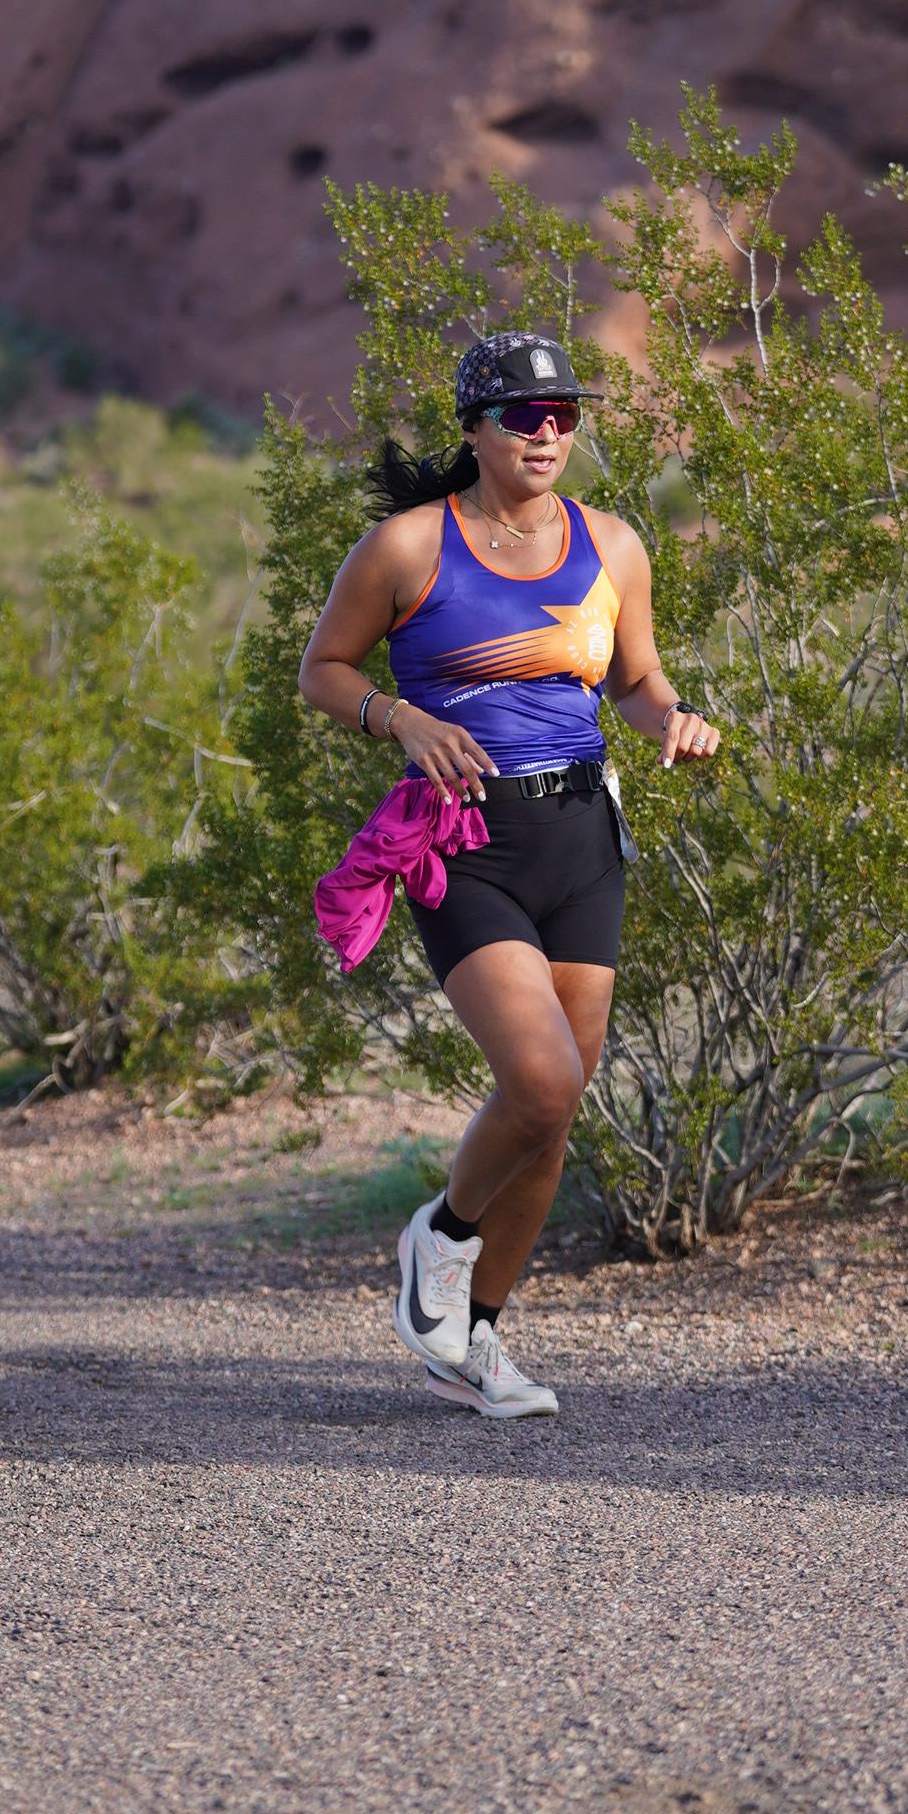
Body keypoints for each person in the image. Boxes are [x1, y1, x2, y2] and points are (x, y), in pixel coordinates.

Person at [299, 331, 719, 1419]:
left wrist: (674, 719)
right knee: (539, 1080)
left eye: (563, 415)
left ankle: (473, 1339)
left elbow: (636, 680)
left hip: (582, 839)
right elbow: (323, 669)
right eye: (523, 416)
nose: (546, 433)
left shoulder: (612, 543)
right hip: (466, 842)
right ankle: (440, 1236)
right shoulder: (406, 546)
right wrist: (399, 718)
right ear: (475, 429)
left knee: (554, 1112)